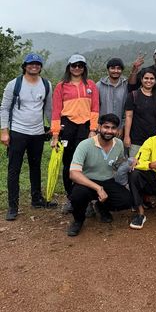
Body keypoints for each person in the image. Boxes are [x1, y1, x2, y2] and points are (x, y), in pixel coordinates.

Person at [1, 53, 55, 220]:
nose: (34, 66)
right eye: (31, 64)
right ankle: (13, 206)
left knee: (35, 166)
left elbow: (48, 109)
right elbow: (4, 108)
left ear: (40, 67)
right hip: (17, 131)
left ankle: (36, 199)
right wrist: (4, 131)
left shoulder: (46, 84)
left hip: (38, 133)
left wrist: (52, 128)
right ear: (24, 66)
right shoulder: (14, 84)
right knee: (14, 169)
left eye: (37, 64)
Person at [67, 113, 132, 237]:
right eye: (106, 127)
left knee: (126, 200)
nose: (109, 131)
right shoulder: (85, 145)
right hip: (87, 182)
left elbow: (119, 163)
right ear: (99, 127)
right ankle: (78, 220)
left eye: (113, 128)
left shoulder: (118, 144)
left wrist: (131, 162)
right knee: (77, 195)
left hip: (107, 181)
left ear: (117, 130)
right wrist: (98, 188)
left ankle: (101, 206)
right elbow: (73, 173)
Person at [51, 54, 99, 213]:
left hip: (85, 127)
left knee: (86, 163)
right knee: (68, 163)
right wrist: (55, 134)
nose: (77, 68)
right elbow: (56, 111)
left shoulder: (91, 85)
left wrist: (93, 129)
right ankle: (71, 198)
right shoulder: (61, 86)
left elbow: (95, 109)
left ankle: (87, 201)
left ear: (84, 68)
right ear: (69, 67)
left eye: (80, 65)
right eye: (74, 65)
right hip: (68, 126)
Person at [124, 68, 156, 157]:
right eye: (146, 78)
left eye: (151, 78)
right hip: (136, 139)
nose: (148, 81)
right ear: (141, 79)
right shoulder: (133, 95)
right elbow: (129, 116)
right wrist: (127, 136)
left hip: (154, 139)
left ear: (155, 80)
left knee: (152, 166)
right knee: (134, 167)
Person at [96, 57, 128, 138]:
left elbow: (126, 109)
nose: (115, 71)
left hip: (119, 129)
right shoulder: (99, 85)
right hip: (102, 128)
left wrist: (122, 127)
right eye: (112, 68)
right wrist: (98, 125)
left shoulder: (126, 86)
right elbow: (95, 108)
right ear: (108, 70)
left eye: (118, 68)